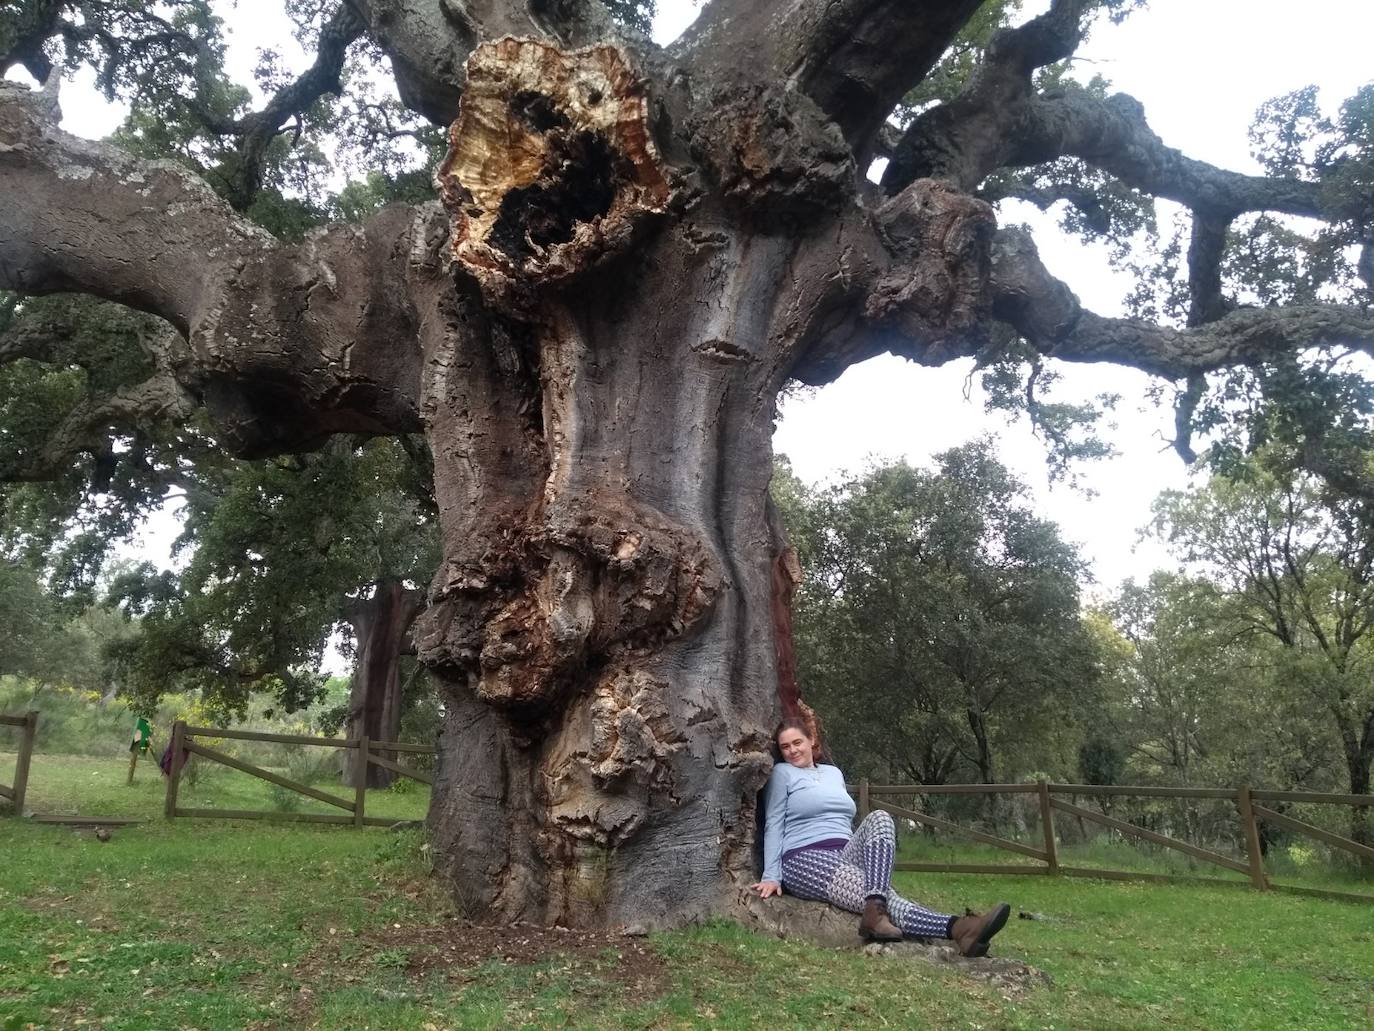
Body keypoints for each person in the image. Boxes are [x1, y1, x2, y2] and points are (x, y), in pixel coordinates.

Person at [750, 717, 1011, 956]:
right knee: (881, 896)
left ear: (812, 740)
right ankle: (959, 928)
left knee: (880, 818)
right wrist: (772, 875)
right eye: (785, 747)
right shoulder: (782, 773)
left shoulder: (833, 773)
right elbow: (773, 823)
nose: (793, 750)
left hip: (844, 852)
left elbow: (843, 820)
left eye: (798, 742)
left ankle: (878, 911)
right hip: (804, 858)